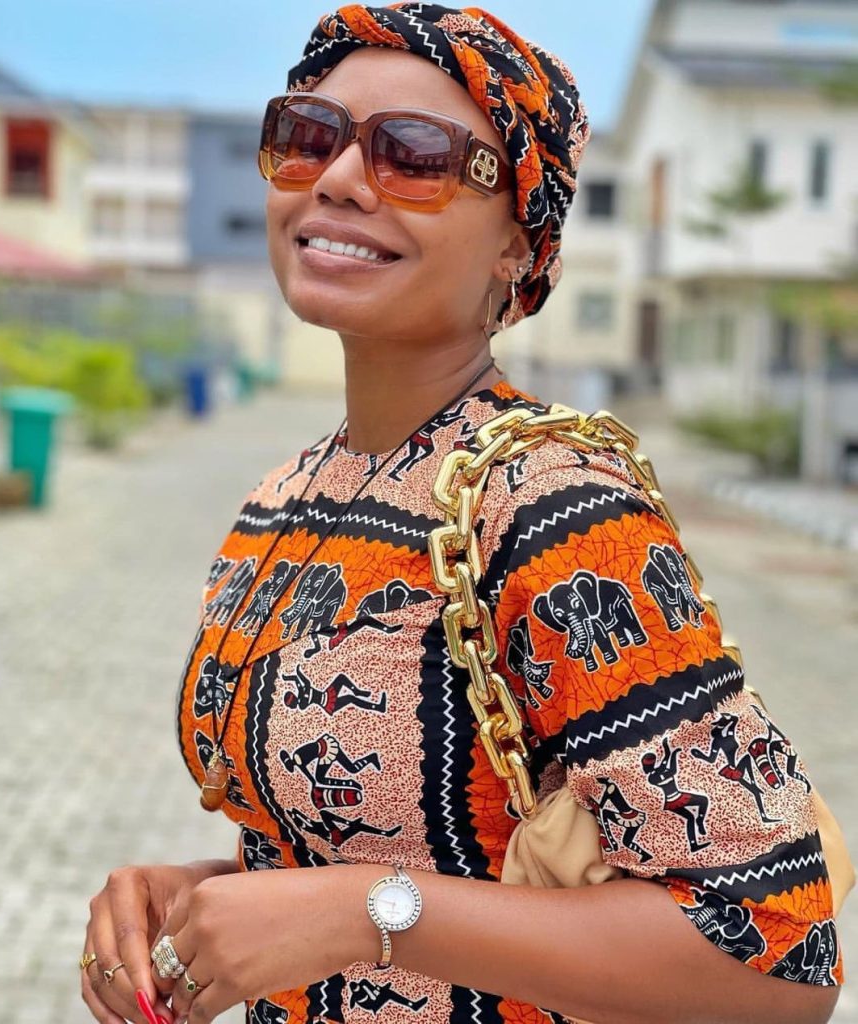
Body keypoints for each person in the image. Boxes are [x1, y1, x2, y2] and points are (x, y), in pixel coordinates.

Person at [80, 6, 843, 1024]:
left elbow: (778, 961)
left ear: (515, 246)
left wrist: (356, 912)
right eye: (307, 136)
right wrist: (208, 894)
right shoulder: (284, 497)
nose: (339, 179)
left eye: (414, 157)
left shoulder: (556, 508)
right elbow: (379, 855)